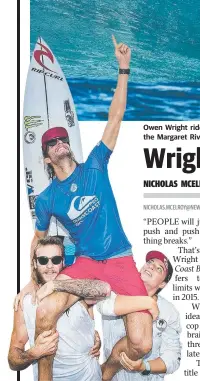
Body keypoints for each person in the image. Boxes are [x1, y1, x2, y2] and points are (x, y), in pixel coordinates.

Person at [18, 36, 154, 381]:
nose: (60, 142)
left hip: (121, 259)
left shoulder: (94, 164)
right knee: (44, 311)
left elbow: (116, 116)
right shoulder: (48, 198)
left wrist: (123, 67)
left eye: (63, 137)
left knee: (140, 344)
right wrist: (32, 281)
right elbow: (38, 239)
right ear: (47, 157)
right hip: (87, 264)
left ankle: (106, 369)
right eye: (52, 142)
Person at [9, 237, 159, 381]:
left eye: (55, 260)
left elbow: (104, 289)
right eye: (43, 260)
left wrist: (56, 285)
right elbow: (13, 360)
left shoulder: (78, 292)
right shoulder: (25, 302)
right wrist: (34, 353)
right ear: (34, 263)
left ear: (63, 262)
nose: (49, 266)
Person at [97, 250, 182, 380]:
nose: (151, 266)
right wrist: (147, 303)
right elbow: (104, 306)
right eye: (150, 262)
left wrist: (144, 366)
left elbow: (172, 356)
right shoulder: (116, 292)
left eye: (159, 269)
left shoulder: (169, 311)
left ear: (162, 284)